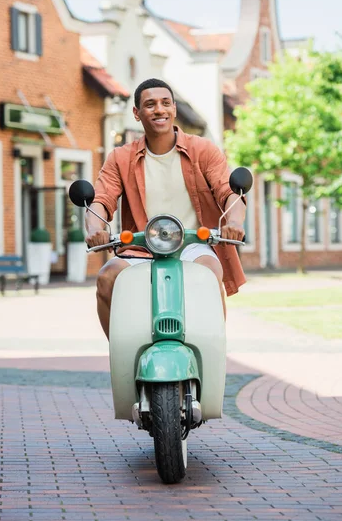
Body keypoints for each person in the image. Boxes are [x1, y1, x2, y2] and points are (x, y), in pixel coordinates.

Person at [86, 78, 247, 339]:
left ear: (173, 109)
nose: (159, 109)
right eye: (150, 104)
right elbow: (101, 200)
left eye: (165, 103)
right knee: (106, 279)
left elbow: (230, 193)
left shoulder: (202, 149)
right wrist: (96, 228)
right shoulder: (120, 157)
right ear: (137, 114)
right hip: (141, 245)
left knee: (210, 274)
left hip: (194, 243)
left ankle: (211, 354)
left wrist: (236, 223)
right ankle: (123, 354)